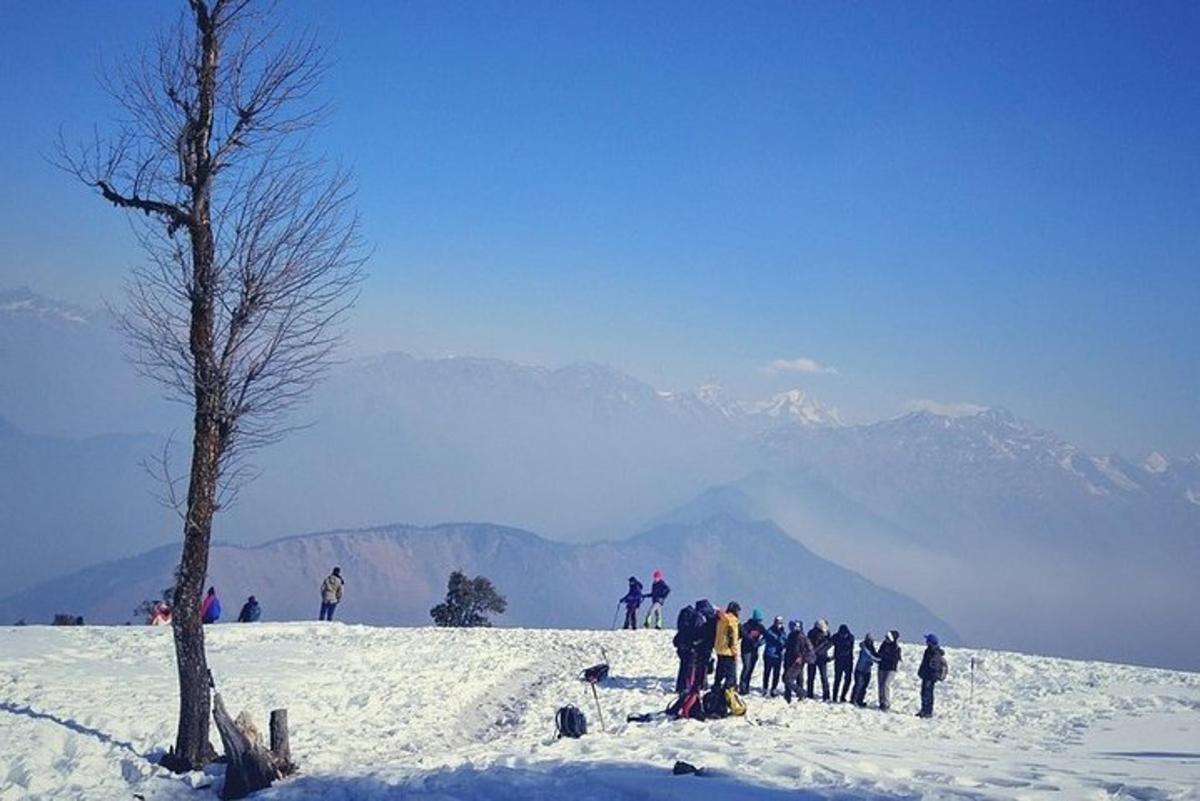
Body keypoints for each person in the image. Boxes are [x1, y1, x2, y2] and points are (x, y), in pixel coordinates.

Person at [916, 633, 948, 718]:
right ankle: (924, 710)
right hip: (926, 675)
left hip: (930, 677)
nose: (925, 642)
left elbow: (933, 665)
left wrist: (929, 671)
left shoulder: (934, 652)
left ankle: (927, 712)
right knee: (924, 693)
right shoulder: (929, 651)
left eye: (927, 640)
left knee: (927, 694)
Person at [783, 619, 814, 703]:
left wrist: (801, 657)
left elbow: (809, 649)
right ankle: (789, 696)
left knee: (787, 679)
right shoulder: (791, 635)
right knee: (797, 678)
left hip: (797, 661)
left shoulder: (801, 637)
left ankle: (802, 693)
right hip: (789, 659)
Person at [673, 602, 701, 693]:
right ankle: (686, 686)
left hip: (681, 646)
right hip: (690, 646)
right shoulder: (696, 617)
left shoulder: (683, 618)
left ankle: (680, 687)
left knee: (683, 667)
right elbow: (697, 632)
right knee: (689, 668)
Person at [713, 601, 742, 691]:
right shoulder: (732, 621)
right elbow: (732, 637)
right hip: (728, 651)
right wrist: (735, 652)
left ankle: (716, 688)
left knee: (719, 672)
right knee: (730, 675)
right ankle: (728, 693)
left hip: (719, 649)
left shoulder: (721, 619)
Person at [738, 609, 767, 694]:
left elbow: (767, 635)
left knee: (750, 669)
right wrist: (752, 641)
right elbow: (744, 634)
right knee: (746, 667)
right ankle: (742, 687)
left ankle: (746, 687)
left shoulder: (760, 627)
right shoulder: (747, 626)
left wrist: (761, 642)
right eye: (758, 620)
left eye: (760, 620)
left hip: (754, 651)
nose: (759, 622)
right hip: (746, 650)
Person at [850, 632, 880, 707]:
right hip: (860, 670)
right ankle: (854, 700)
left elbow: (874, 655)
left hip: (867, 670)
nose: (870, 641)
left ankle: (860, 700)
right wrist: (879, 661)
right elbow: (869, 657)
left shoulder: (871, 648)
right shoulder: (864, 648)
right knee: (858, 685)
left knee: (864, 686)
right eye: (869, 639)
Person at [693, 599, 718, 690]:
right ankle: (703, 683)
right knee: (704, 665)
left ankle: (701, 683)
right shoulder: (712, 617)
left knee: (701, 665)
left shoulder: (702, 617)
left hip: (703, 644)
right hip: (708, 644)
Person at [762, 616, 787, 696]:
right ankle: (765, 688)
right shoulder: (769, 631)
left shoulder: (783, 633)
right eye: (777, 622)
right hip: (769, 655)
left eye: (780, 623)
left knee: (776, 673)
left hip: (778, 656)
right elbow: (764, 640)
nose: (779, 624)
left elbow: (784, 643)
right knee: (767, 672)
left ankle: (774, 688)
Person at [806, 619, 832, 700]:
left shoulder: (827, 634)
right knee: (812, 677)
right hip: (814, 657)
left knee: (822, 677)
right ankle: (811, 694)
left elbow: (828, 644)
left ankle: (825, 695)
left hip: (821, 658)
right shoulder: (812, 633)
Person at [877, 629, 902, 711]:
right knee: (881, 685)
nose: (886, 639)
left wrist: (885, 656)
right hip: (882, 667)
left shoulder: (896, 648)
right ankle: (881, 702)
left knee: (886, 684)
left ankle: (886, 703)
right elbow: (879, 653)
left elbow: (895, 658)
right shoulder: (884, 644)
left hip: (891, 669)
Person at [831, 623, 856, 702]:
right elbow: (828, 643)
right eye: (841, 634)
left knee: (848, 679)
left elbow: (849, 648)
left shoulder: (851, 638)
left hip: (848, 661)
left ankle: (843, 696)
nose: (843, 636)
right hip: (838, 661)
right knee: (837, 679)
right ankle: (834, 697)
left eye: (844, 634)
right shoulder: (836, 637)